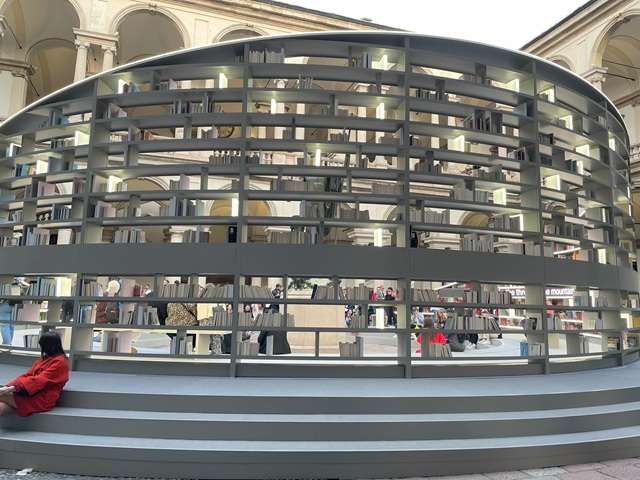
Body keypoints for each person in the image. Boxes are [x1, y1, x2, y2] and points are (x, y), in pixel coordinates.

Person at [0, 331, 69, 416]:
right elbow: (27, 375)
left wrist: (12, 388)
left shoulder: (60, 362)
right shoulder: (45, 358)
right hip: (30, 393)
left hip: (41, 398)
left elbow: (40, 380)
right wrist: (9, 386)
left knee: (2, 396)